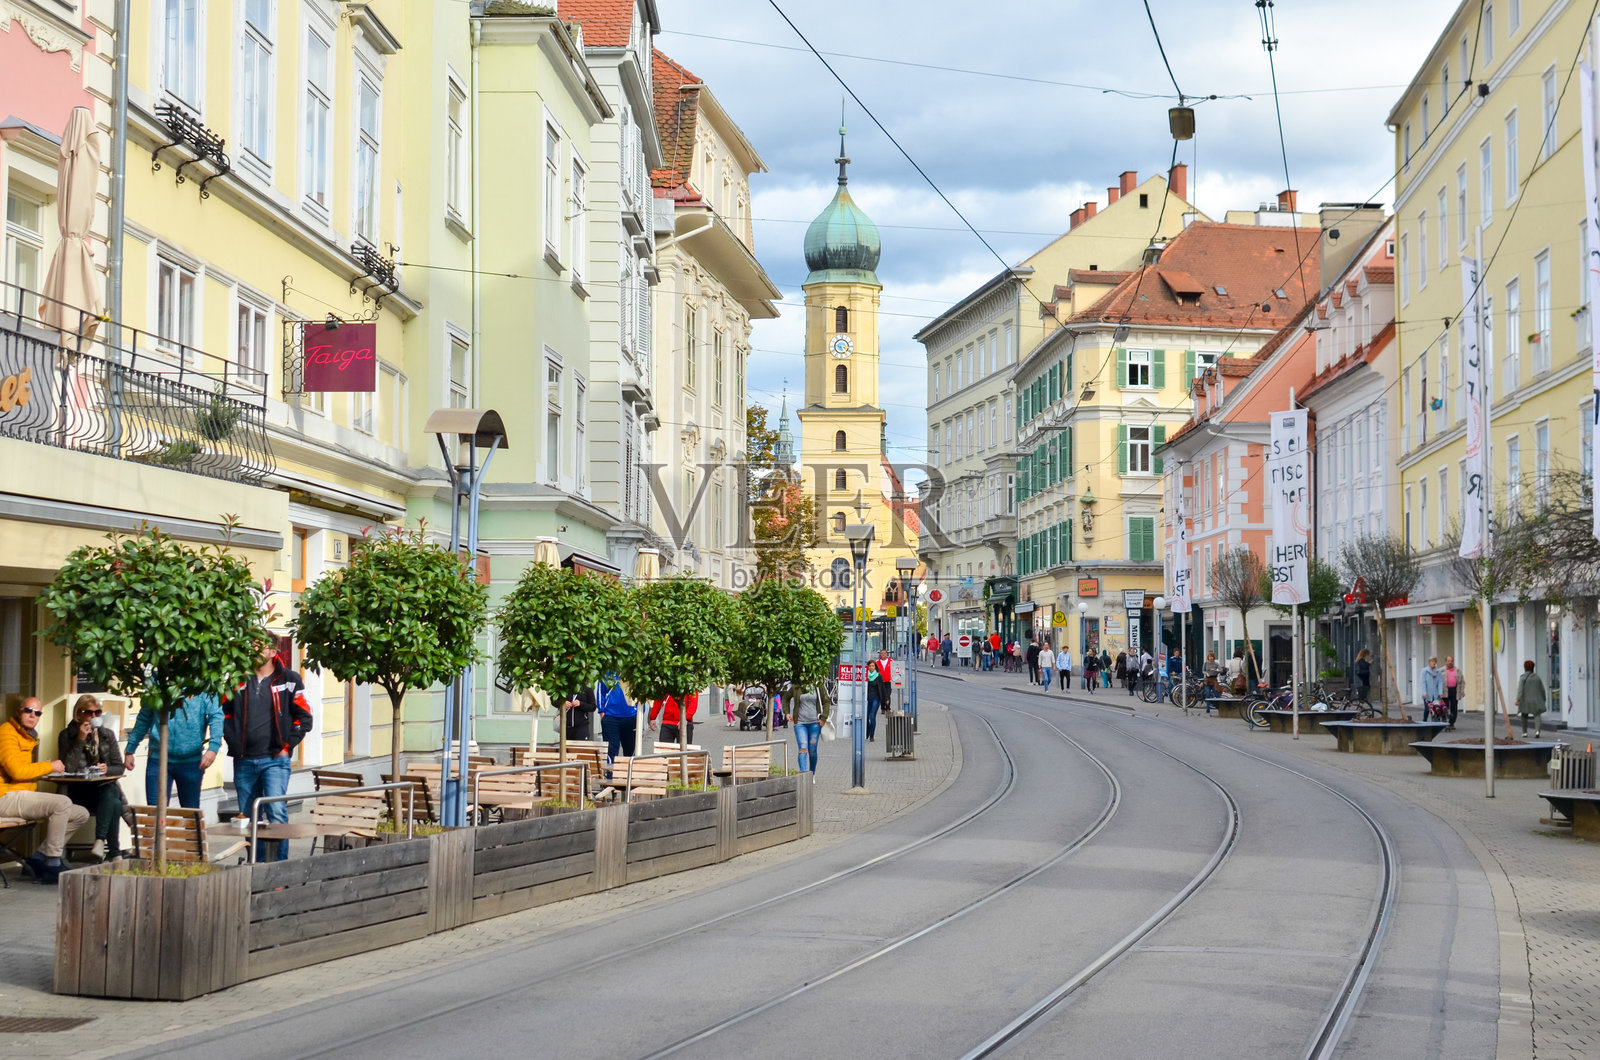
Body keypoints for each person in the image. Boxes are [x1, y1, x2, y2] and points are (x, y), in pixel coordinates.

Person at [223, 643, 313, 862]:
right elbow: (224, 713)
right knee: (249, 816)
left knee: (276, 812)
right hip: (244, 760)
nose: (253, 651)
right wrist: (232, 740)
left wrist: (286, 747)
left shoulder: (289, 679)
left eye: (259, 647)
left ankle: (278, 870)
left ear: (273, 652)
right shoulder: (237, 679)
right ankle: (258, 868)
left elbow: (305, 718)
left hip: (275, 760)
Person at [0, 697, 90, 884]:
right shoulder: (6, 733)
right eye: (28, 711)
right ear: (19, 711)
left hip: (22, 796)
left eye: (37, 713)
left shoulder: (28, 735)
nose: (33, 715)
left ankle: (38, 858)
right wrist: (48, 766)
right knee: (62, 803)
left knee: (81, 813)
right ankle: (52, 862)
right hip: (5, 797)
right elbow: (17, 771)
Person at [124, 691, 223, 810]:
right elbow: (144, 717)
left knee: (190, 814)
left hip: (191, 760)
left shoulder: (202, 685)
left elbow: (216, 716)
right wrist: (130, 749)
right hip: (158, 758)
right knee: (155, 813)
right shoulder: (157, 681)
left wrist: (213, 748)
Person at [58, 695, 126, 862]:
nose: (94, 717)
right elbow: (68, 767)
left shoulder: (106, 734)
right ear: (79, 714)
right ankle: (114, 852)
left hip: (103, 790)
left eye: (98, 713)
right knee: (114, 799)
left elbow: (119, 766)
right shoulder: (67, 735)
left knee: (111, 795)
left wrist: (107, 769)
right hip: (78, 792)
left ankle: (101, 841)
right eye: (89, 713)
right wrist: (80, 739)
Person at [595, 673, 636, 776]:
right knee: (611, 749)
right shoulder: (607, 672)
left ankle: (628, 778)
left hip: (631, 716)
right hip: (610, 718)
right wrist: (601, 711)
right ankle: (610, 778)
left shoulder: (633, 671)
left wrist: (640, 711)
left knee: (630, 749)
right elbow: (600, 691)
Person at [792, 684, 826, 773]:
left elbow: (826, 701)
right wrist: (787, 712)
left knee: (812, 750)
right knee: (803, 748)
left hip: (814, 723)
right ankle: (803, 775)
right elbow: (785, 698)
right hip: (800, 723)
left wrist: (824, 718)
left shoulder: (818, 685)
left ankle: (812, 773)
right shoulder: (797, 685)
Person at [1515, 660, 1547, 736]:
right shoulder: (1537, 678)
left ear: (1525, 668)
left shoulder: (1522, 678)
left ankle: (1525, 732)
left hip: (1525, 700)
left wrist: (1518, 699)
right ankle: (1537, 731)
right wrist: (1543, 699)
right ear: (1533, 667)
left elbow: (1520, 690)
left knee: (1524, 715)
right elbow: (1542, 689)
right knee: (1537, 715)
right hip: (1535, 700)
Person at [866, 649, 892, 741]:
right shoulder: (865, 676)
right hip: (867, 698)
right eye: (870, 666)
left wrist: (885, 699)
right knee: (865, 717)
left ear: (875, 667)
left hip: (876, 698)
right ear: (868, 667)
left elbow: (882, 689)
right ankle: (867, 732)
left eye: (873, 666)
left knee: (872, 716)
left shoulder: (878, 676)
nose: (871, 667)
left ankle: (872, 735)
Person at [1420, 657, 1444, 722]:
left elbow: (1440, 682)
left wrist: (1440, 692)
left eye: (1434, 661)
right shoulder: (1424, 670)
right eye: (1431, 661)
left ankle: (1434, 723)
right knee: (1427, 709)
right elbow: (1423, 682)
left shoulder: (1438, 671)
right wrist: (1424, 692)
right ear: (1429, 662)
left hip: (1435, 694)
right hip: (1427, 694)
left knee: (1435, 709)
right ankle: (1424, 721)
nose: (1433, 663)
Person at [1443, 656, 1463, 731]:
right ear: (1446, 661)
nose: (1450, 662)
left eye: (1451, 661)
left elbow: (1462, 682)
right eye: (1448, 661)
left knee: (1454, 708)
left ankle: (1452, 723)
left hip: (1455, 690)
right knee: (1445, 707)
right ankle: (1445, 723)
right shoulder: (1441, 670)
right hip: (1445, 691)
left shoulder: (1457, 670)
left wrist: (1462, 691)